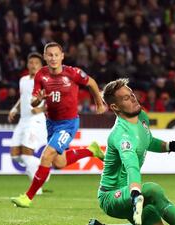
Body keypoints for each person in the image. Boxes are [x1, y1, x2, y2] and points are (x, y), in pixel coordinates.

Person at [11, 42, 107, 208]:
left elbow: (91, 82)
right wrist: (38, 100)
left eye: (56, 55)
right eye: (50, 55)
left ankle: (28, 197)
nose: (53, 58)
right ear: (45, 57)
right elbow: (33, 102)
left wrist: (99, 103)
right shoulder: (41, 75)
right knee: (59, 162)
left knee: (46, 155)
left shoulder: (73, 73)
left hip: (68, 124)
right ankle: (91, 150)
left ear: (62, 56)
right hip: (51, 123)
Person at [95, 78, 175, 225]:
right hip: (112, 197)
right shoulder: (120, 135)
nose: (132, 98)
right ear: (115, 107)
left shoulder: (141, 117)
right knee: (153, 190)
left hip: (134, 195)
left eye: (131, 94)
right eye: (125, 98)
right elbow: (132, 166)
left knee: (153, 215)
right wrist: (136, 194)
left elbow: (148, 141)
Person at [8, 52, 48, 195]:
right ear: (27, 65)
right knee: (15, 156)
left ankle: (37, 189)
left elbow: (51, 100)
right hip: (23, 120)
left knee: (26, 155)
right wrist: (14, 109)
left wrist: (43, 108)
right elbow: (22, 97)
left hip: (35, 120)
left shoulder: (44, 81)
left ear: (41, 66)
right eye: (30, 63)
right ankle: (45, 168)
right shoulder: (23, 80)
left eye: (36, 63)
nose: (33, 65)